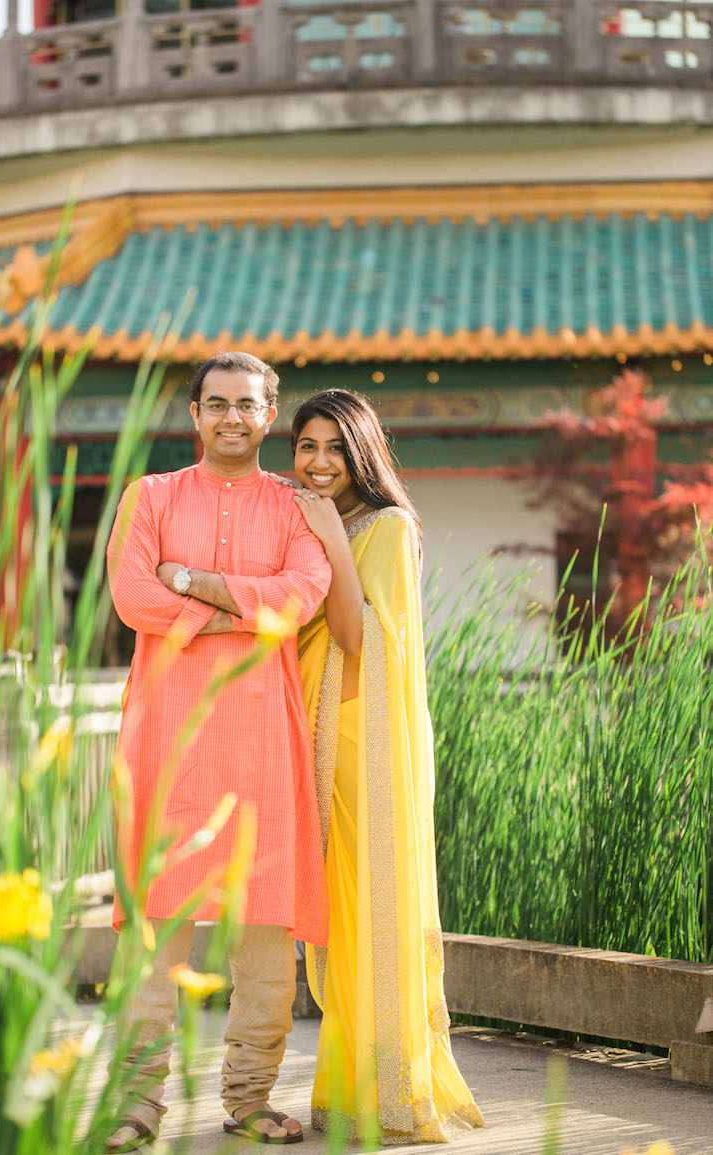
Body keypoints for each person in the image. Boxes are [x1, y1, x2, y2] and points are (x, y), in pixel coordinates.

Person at [104, 352, 332, 1151]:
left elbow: (303, 596)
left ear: (271, 415)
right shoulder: (152, 496)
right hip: (170, 734)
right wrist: (244, 607)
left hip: (263, 737)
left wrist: (194, 583)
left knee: (265, 927)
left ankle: (248, 1095)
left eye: (249, 403)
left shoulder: (296, 505)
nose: (233, 416)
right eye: (218, 403)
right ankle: (135, 1100)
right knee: (155, 925)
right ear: (195, 413)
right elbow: (133, 594)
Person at [291, 389, 484, 1144]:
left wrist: (324, 540)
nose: (319, 462)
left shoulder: (387, 526)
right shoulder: (315, 523)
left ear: (363, 452)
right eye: (307, 445)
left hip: (363, 744)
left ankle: (389, 1093)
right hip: (312, 740)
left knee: (372, 908)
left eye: (336, 447)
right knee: (337, 915)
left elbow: (364, 635)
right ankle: (345, 1085)